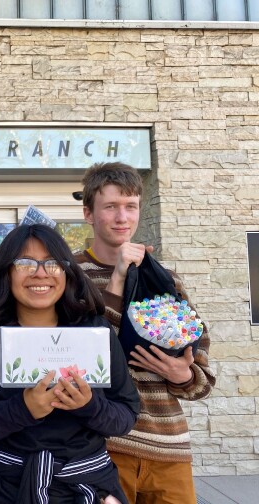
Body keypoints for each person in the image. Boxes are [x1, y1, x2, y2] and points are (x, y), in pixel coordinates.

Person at [0, 224, 140, 503]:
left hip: (84, 484)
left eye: (52, 263)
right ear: (6, 271)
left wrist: (89, 406)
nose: (40, 273)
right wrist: (22, 409)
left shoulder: (93, 330)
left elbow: (125, 415)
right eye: (25, 263)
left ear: (66, 271)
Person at [74, 162, 215, 504]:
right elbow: (88, 355)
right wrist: (119, 278)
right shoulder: (70, 273)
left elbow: (202, 375)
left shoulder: (164, 277)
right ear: (89, 213)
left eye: (130, 206)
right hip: (102, 447)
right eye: (110, 207)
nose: (122, 217)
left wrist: (183, 374)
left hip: (168, 447)